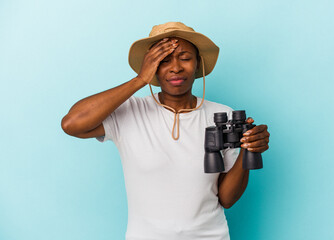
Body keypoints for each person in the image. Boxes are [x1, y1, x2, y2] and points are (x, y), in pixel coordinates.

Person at [61, 22, 270, 240]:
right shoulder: (130, 111)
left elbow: (226, 199)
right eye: (164, 60)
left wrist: (249, 149)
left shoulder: (222, 115)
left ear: (198, 64)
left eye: (185, 58)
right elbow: (72, 124)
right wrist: (140, 80)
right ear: (151, 67)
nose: (176, 68)